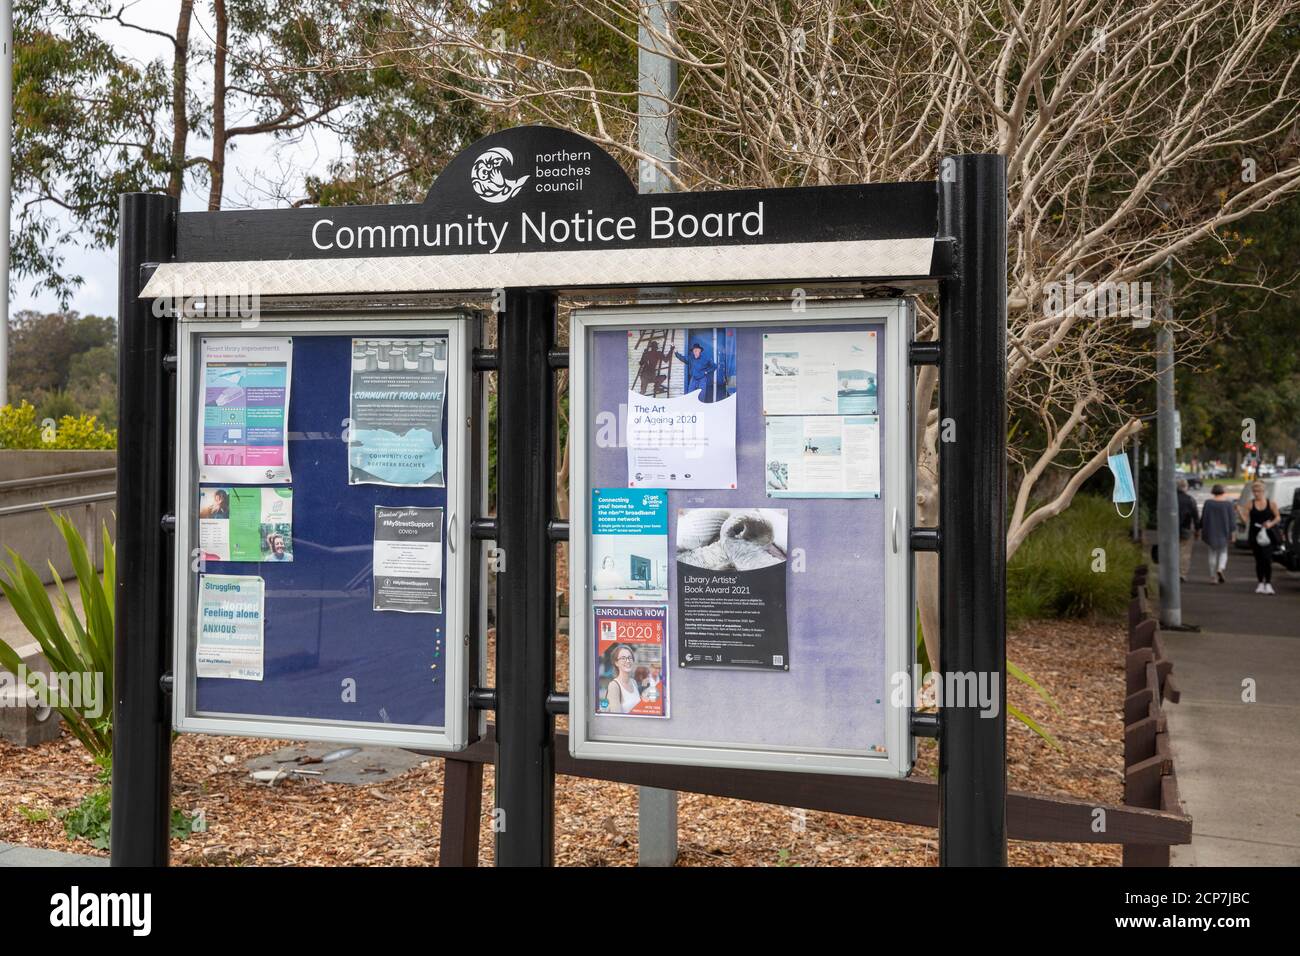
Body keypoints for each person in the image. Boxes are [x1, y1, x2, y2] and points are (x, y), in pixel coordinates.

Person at [1236, 480, 1281, 594]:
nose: (1257, 493)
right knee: (1259, 559)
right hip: (1255, 534)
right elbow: (1245, 520)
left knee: (1267, 559)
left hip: (1268, 534)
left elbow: (1278, 517)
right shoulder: (1250, 504)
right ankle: (1260, 583)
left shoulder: (1271, 504)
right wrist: (1240, 512)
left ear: (1263, 491)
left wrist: (1270, 524)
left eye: (1259, 491)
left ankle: (1269, 584)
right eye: (1255, 491)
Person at [1199, 484, 1236, 584]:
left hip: (1211, 530)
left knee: (1212, 553)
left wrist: (1199, 528)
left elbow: (1203, 517)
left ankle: (1212, 577)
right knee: (1223, 552)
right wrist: (1233, 533)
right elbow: (1232, 520)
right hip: (1224, 531)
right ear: (1223, 492)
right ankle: (1220, 568)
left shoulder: (1208, 503)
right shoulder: (1228, 504)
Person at [604, 644, 642, 714]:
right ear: (616, 663)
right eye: (623, 658)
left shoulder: (634, 682)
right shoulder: (614, 686)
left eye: (630, 658)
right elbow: (616, 718)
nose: (628, 661)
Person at [1176, 479, 1200, 582]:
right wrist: (1197, 530)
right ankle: (1182, 573)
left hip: (1171, 530)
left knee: (1172, 550)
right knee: (1184, 552)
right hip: (1185, 528)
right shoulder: (1190, 500)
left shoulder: (1170, 499)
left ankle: (1172, 572)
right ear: (1186, 487)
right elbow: (1195, 516)